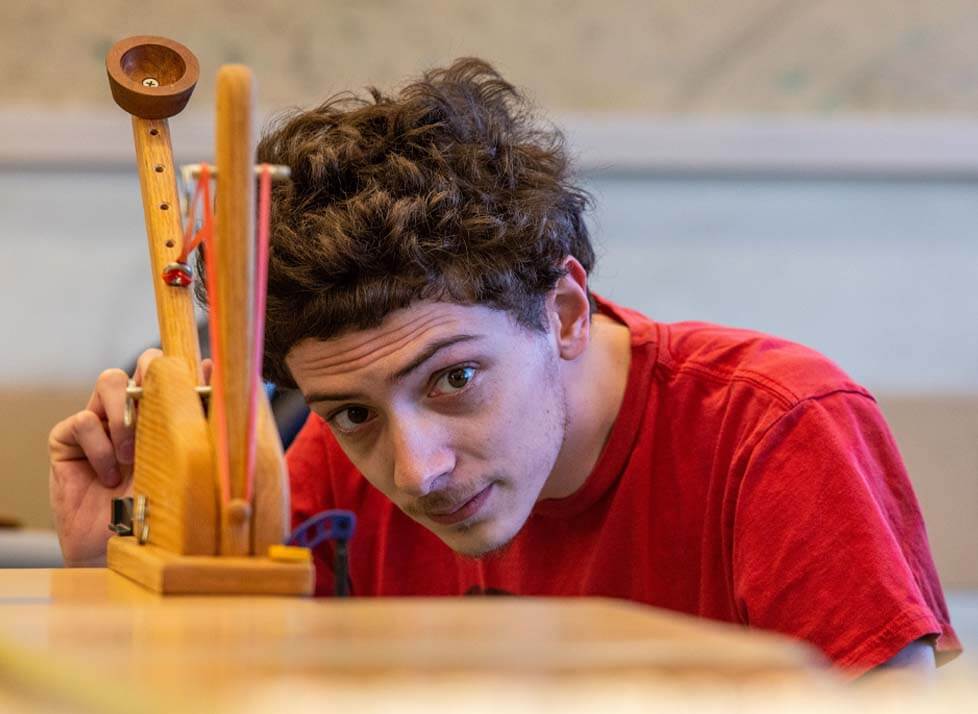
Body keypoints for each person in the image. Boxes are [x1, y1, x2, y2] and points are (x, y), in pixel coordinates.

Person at [49, 58, 960, 676]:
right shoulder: (328, 470)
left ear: (563, 312)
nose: (417, 472)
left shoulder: (775, 431)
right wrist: (107, 571)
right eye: (353, 412)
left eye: (453, 379)